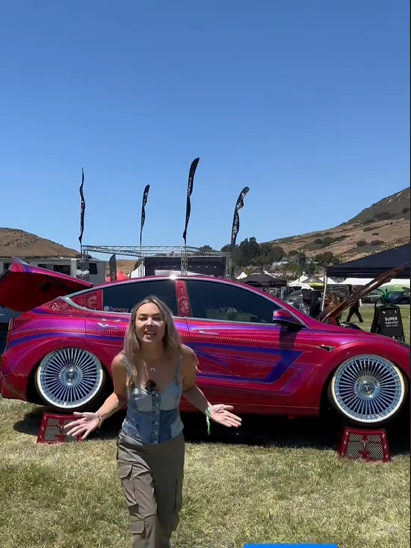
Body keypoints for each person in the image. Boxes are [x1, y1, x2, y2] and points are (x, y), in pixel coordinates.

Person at [65, 296, 241, 548]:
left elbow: (190, 388)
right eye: (143, 318)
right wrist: (99, 415)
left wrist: (208, 408)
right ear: (133, 324)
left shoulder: (184, 358)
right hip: (134, 447)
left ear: (166, 324)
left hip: (171, 447)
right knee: (144, 520)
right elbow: (119, 395)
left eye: (157, 318)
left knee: (167, 517)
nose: (150, 324)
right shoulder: (123, 362)